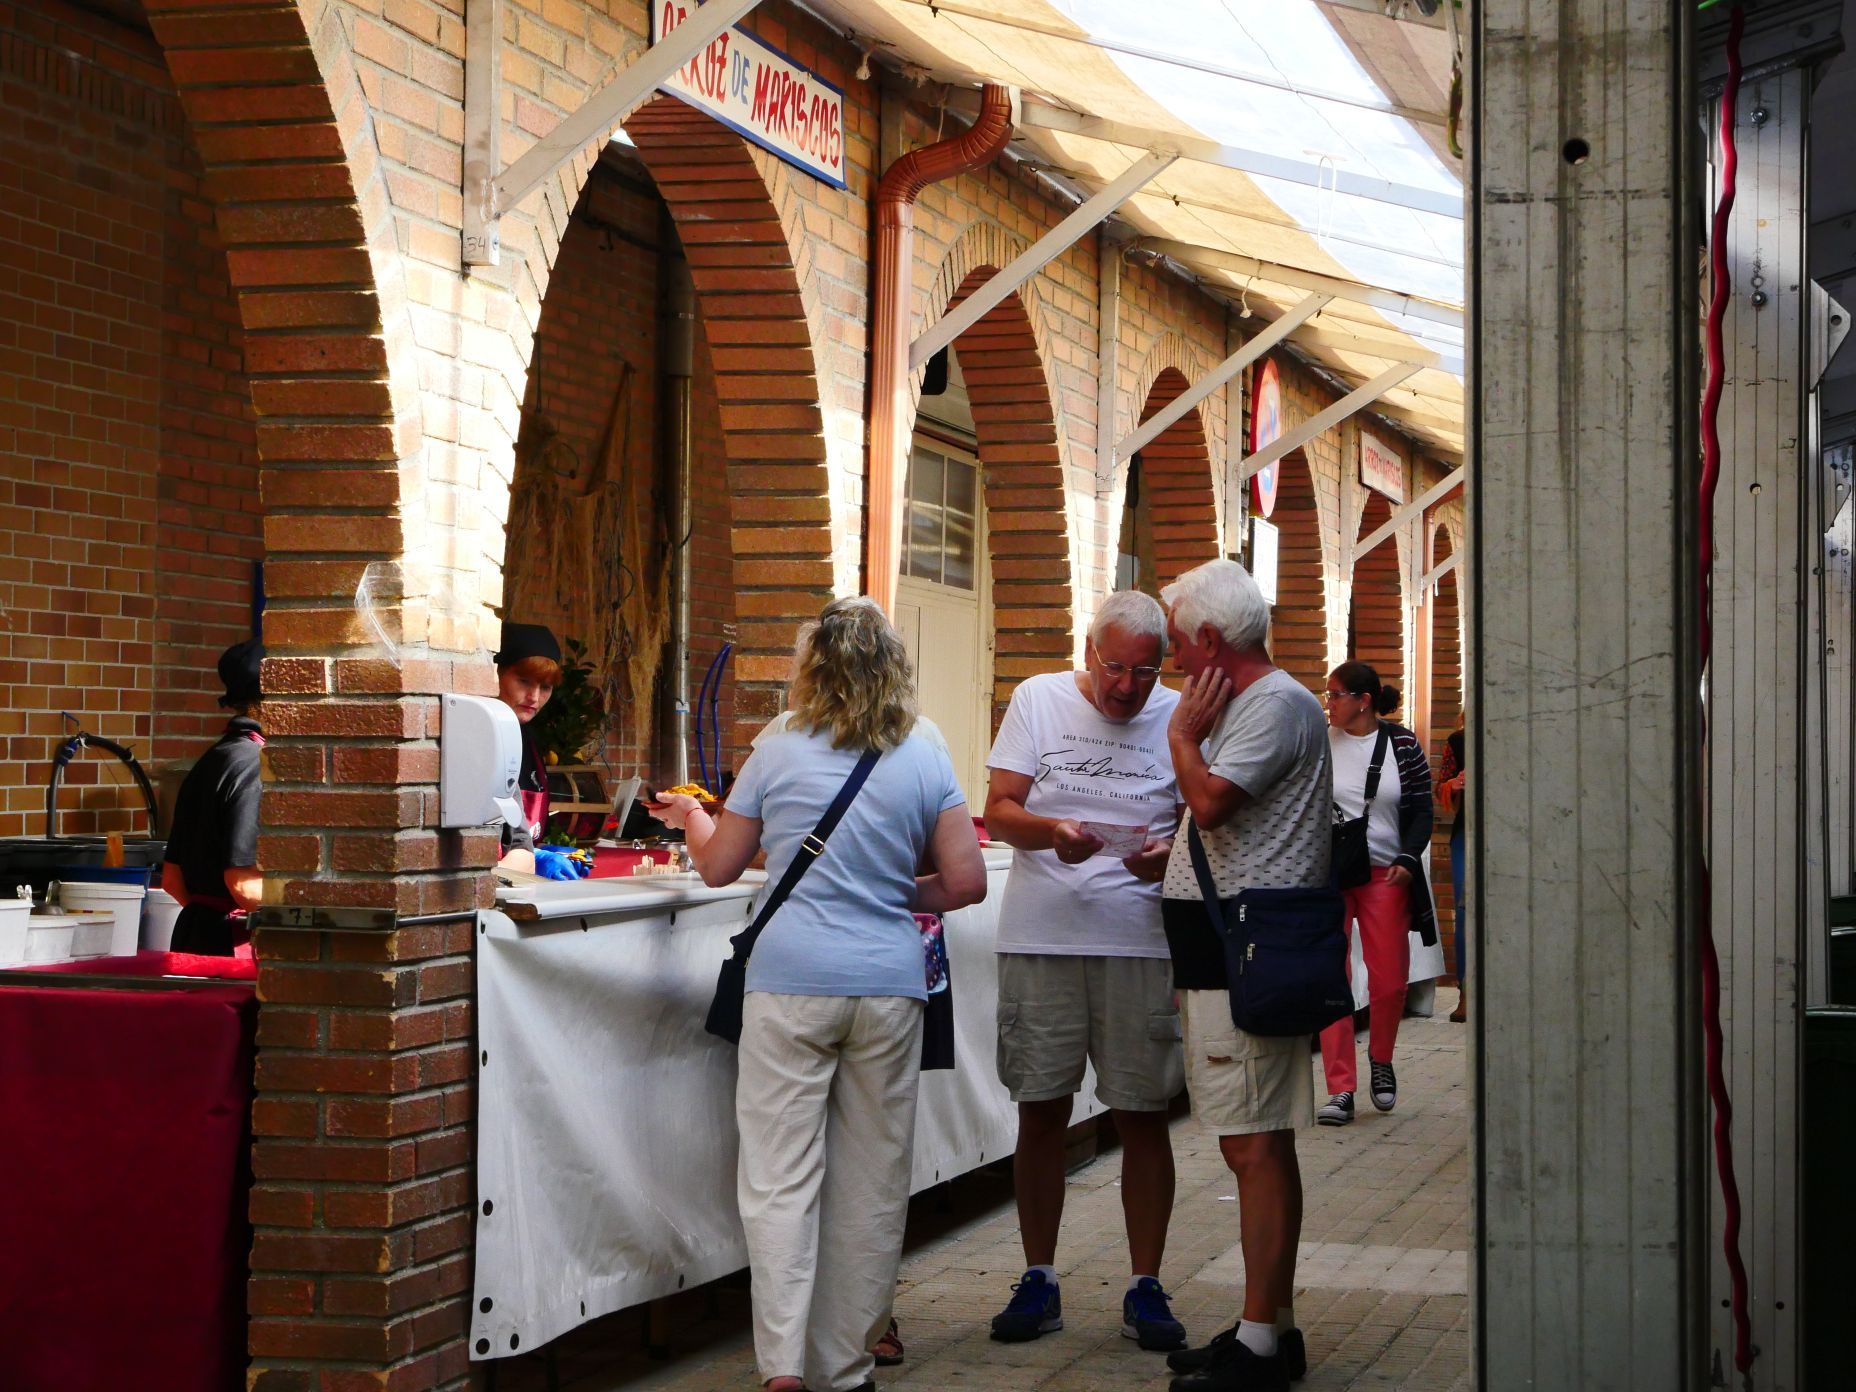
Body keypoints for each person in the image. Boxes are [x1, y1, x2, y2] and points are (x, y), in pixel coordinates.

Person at [649, 597, 987, 1392]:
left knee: (778, 1179)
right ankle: (845, 1368)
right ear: (894, 668)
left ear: (813, 667)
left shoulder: (777, 743)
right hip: (890, 987)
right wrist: (889, 894)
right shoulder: (926, 745)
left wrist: (693, 820)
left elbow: (721, 867)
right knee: (871, 1183)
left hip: (790, 983)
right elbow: (967, 881)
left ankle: (780, 1370)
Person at [981, 589, 1187, 1352]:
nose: (1128, 687)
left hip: (1139, 937)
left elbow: (1205, 814)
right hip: (1044, 934)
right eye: (1115, 669)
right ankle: (1038, 1276)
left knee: (1142, 1113)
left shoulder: (1181, 711)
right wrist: (1049, 831)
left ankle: (1145, 1285)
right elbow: (998, 807)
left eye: (1145, 671)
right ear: (1087, 651)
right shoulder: (1037, 699)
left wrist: (1173, 853)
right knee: (1041, 1107)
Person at [1156, 559, 1329, 1392]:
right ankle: (1271, 1325)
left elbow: (1215, 801)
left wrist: (1183, 741)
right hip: (1227, 949)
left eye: (1182, 646)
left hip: (1247, 955)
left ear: (1213, 640)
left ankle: (1260, 1345)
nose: (1175, 663)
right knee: (1255, 1141)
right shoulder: (1259, 703)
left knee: (1253, 1146)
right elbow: (1223, 822)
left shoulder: (1272, 704)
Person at [1315, 662, 1434, 1125]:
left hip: (1386, 874)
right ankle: (1339, 1086)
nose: (1329, 703)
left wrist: (1408, 858)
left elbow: (1422, 808)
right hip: (1331, 874)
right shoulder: (1320, 743)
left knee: (1389, 981)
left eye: (1336, 695)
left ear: (1363, 700)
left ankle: (1381, 1060)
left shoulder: (1401, 743)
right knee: (1331, 977)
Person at [162, 639, 268, 955]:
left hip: (195, 935)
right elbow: (243, 883)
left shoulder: (211, 758)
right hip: (234, 944)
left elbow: (172, 879)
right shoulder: (255, 765)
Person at [492, 620, 585, 881]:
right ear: (497, 674)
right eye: (524, 681)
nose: (534, 696)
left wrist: (536, 852)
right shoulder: (481, 740)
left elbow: (519, 838)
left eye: (545, 687)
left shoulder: (529, 744)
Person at [1437, 711, 1468, 1023]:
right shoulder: (1458, 740)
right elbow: (1440, 787)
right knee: (1464, 909)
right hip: (1467, 832)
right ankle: (1466, 991)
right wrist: (1455, 784)